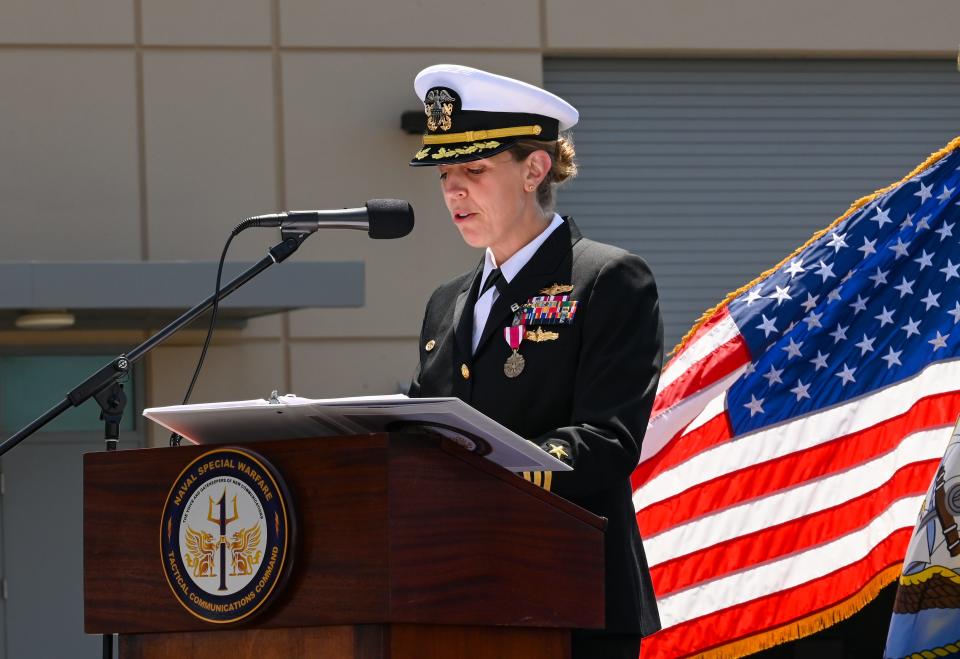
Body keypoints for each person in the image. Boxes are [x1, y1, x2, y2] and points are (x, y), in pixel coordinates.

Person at [407, 63, 663, 659]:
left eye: (474, 169)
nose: (453, 190)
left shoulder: (606, 279)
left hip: (572, 595)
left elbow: (607, 437)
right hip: (461, 601)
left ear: (535, 168)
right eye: (445, 172)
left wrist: (487, 472)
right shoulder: (445, 302)